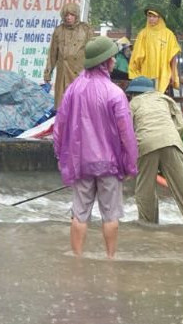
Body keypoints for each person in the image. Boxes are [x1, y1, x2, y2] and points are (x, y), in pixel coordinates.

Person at [53, 36, 138, 258]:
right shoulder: (115, 94)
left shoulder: (72, 90)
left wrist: (61, 157)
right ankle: (110, 260)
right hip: (109, 164)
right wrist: (131, 165)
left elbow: (59, 126)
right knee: (110, 216)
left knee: (79, 214)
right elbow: (127, 135)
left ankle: (77, 261)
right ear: (108, 62)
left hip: (80, 162)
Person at [126, 76, 183, 228]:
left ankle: (148, 227)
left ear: (134, 93)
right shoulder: (164, 99)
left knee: (145, 191)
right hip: (172, 141)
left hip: (146, 144)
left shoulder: (133, 103)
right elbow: (180, 125)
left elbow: (127, 129)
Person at [44, 2, 94, 107]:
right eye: (66, 15)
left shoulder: (86, 29)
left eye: (71, 15)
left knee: (78, 106)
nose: (68, 17)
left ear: (76, 15)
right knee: (62, 106)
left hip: (79, 74)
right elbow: (52, 53)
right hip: (63, 73)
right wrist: (47, 73)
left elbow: (92, 52)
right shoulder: (59, 30)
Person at [128, 7, 181, 94]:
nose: (151, 19)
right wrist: (135, 73)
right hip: (146, 73)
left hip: (163, 73)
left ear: (160, 18)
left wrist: (173, 74)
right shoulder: (143, 34)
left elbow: (173, 56)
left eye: (154, 16)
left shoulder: (169, 35)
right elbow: (136, 56)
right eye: (149, 16)